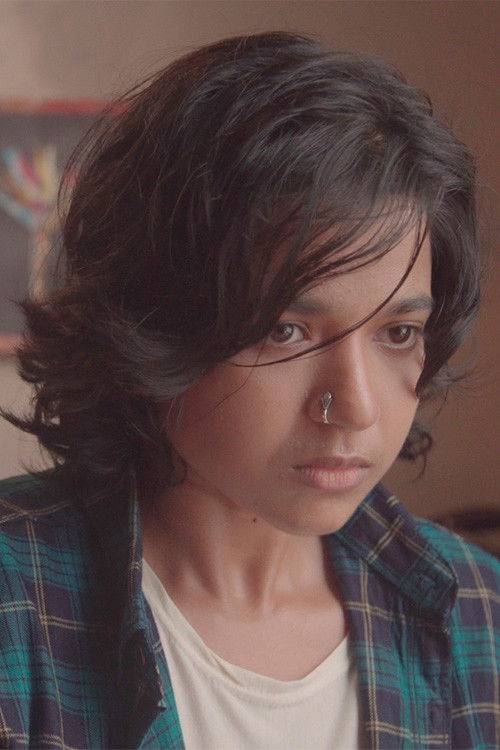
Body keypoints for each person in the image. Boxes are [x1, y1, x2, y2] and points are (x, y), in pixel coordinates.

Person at [0, 31, 498, 750]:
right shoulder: (18, 601)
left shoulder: (479, 612)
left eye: (397, 333)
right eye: (285, 331)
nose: (355, 406)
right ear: (154, 323)